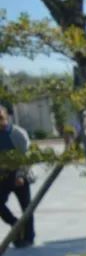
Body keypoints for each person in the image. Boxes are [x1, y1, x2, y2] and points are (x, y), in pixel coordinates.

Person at [0, 104, 35, 248]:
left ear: (6, 116)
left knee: (26, 207)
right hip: (3, 175)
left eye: (0, 117)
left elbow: (27, 156)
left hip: (20, 174)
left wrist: (21, 175)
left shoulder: (18, 133)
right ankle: (15, 224)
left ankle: (28, 238)